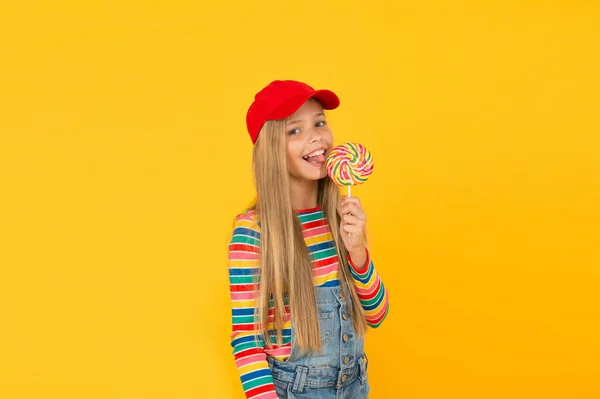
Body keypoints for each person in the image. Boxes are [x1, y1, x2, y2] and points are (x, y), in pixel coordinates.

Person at [228, 80, 389, 399]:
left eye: (319, 122)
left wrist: (357, 251)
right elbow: (246, 342)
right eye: (294, 131)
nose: (316, 136)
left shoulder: (339, 216)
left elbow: (377, 314)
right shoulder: (254, 231)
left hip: (355, 386)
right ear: (272, 149)